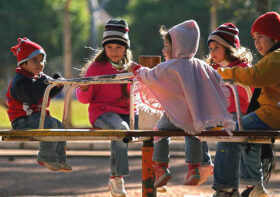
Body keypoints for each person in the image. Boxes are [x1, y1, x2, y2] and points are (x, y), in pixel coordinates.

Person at [129, 20, 235, 188]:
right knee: (193, 132)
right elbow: (215, 80)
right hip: (194, 116)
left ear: (178, 46)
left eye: (166, 45)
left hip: (174, 116)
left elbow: (151, 76)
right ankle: (193, 168)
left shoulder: (170, 66)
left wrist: (136, 69)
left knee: (159, 131)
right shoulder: (199, 65)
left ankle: (161, 167)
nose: (163, 50)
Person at [212, 11, 280, 197]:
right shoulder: (273, 57)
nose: (257, 43)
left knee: (230, 132)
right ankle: (252, 187)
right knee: (245, 133)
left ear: (275, 37)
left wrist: (224, 73)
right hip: (270, 112)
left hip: (272, 114)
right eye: (254, 38)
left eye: (261, 37)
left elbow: (254, 77)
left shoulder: (276, 58)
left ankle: (226, 189)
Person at [76, 19, 136, 197]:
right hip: (102, 112)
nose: (114, 52)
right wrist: (85, 88)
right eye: (109, 47)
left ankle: (158, 168)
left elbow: (138, 94)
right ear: (104, 48)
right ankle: (117, 177)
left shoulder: (130, 68)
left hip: (127, 112)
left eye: (118, 47)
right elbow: (83, 98)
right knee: (121, 130)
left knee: (155, 126)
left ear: (126, 48)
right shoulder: (96, 68)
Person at [6, 38, 71, 172]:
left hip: (36, 118)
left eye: (41, 60)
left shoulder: (38, 77)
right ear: (23, 64)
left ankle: (60, 159)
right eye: (34, 60)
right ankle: (45, 157)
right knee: (51, 125)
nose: (39, 64)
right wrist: (43, 81)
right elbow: (32, 97)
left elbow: (45, 94)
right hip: (22, 121)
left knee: (59, 125)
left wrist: (57, 85)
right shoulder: (20, 81)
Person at [206, 23, 253, 120]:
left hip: (238, 113)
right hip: (216, 113)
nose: (212, 52)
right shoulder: (211, 69)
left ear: (228, 48)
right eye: (210, 48)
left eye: (216, 47)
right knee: (192, 124)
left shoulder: (242, 68)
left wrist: (231, 81)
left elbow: (249, 94)